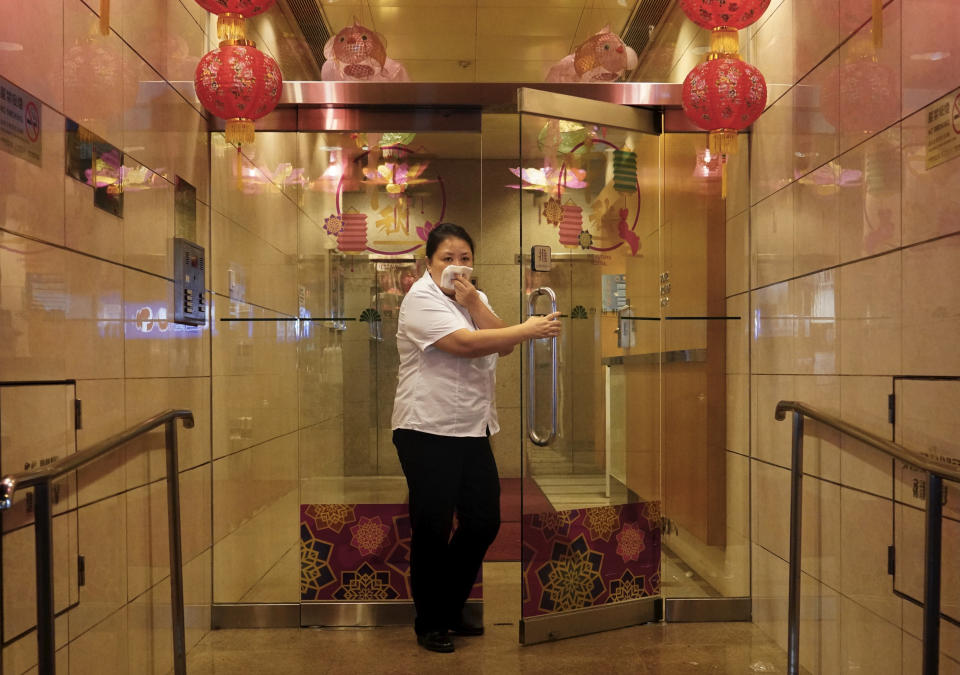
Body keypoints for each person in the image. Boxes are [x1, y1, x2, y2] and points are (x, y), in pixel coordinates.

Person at [391, 223, 562, 653]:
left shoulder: (475, 297)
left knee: (483, 521)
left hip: (471, 427)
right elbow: (466, 345)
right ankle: (431, 621)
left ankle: (446, 604)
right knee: (431, 527)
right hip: (426, 428)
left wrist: (474, 302)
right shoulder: (419, 300)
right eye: (447, 258)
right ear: (427, 264)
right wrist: (529, 328)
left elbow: (498, 341)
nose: (457, 266)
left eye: (464, 257)